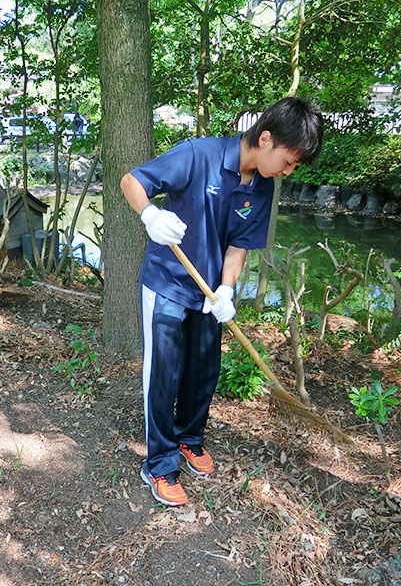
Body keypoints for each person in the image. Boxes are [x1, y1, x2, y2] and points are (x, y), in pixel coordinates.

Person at [120, 97, 323, 506]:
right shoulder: (200, 155)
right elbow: (132, 181)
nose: (289, 170)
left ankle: (189, 438)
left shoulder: (262, 188)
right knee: (163, 375)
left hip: (209, 294)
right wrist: (150, 216)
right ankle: (158, 464)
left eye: (295, 165)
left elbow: (238, 246)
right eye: (288, 160)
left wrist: (227, 289)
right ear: (265, 139)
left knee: (204, 370)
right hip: (168, 284)